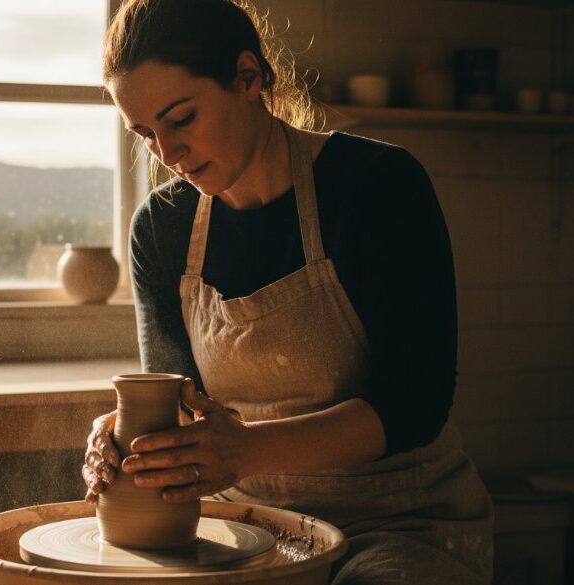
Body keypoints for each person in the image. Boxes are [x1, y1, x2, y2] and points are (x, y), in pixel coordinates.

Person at [81, 0, 494, 583]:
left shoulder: (377, 186)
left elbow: (414, 406)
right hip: (248, 524)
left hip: (398, 523)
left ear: (248, 77)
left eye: (181, 119)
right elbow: (179, 402)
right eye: (145, 133)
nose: (165, 155)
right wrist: (127, 439)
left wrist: (244, 449)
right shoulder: (162, 226)